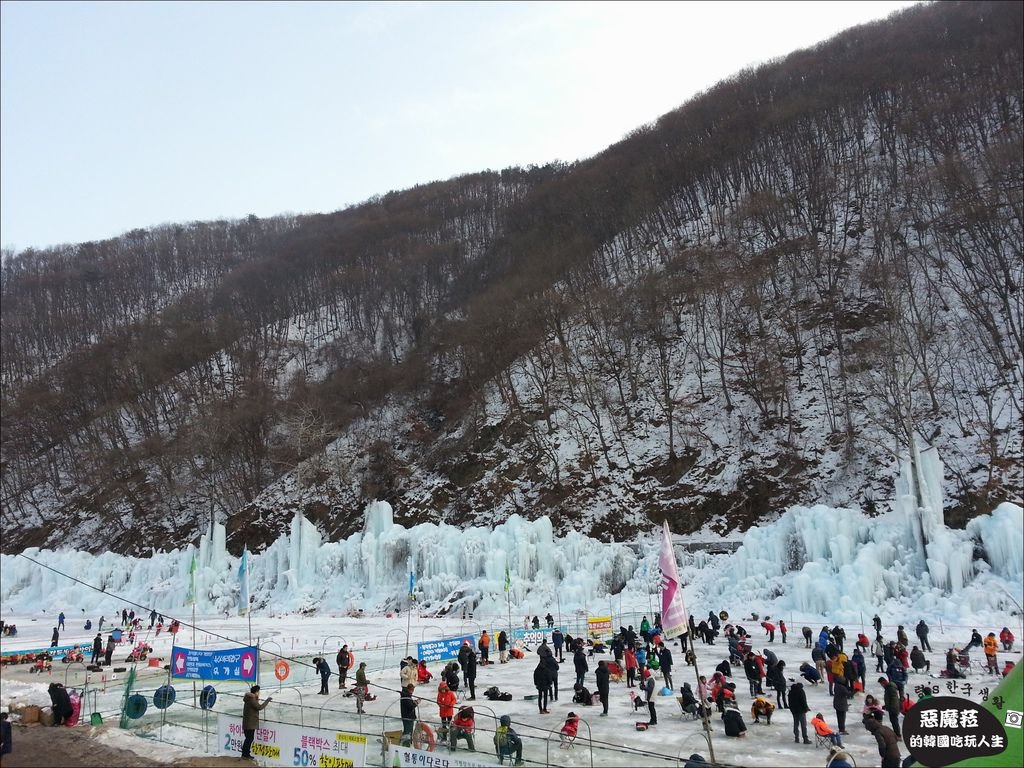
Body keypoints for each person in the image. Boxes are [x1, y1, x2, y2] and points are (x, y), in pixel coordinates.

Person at [241, 685, 271, 760]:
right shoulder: (252, 699)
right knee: (249, 739)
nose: (259, 693)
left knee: (248, 738)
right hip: (250, 723)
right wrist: (267, 701)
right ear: (256, 692)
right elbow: (259, 707)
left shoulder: (249, 698)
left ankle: (245, 754)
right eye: (259, 692)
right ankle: (245, 754)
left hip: (247, 722)